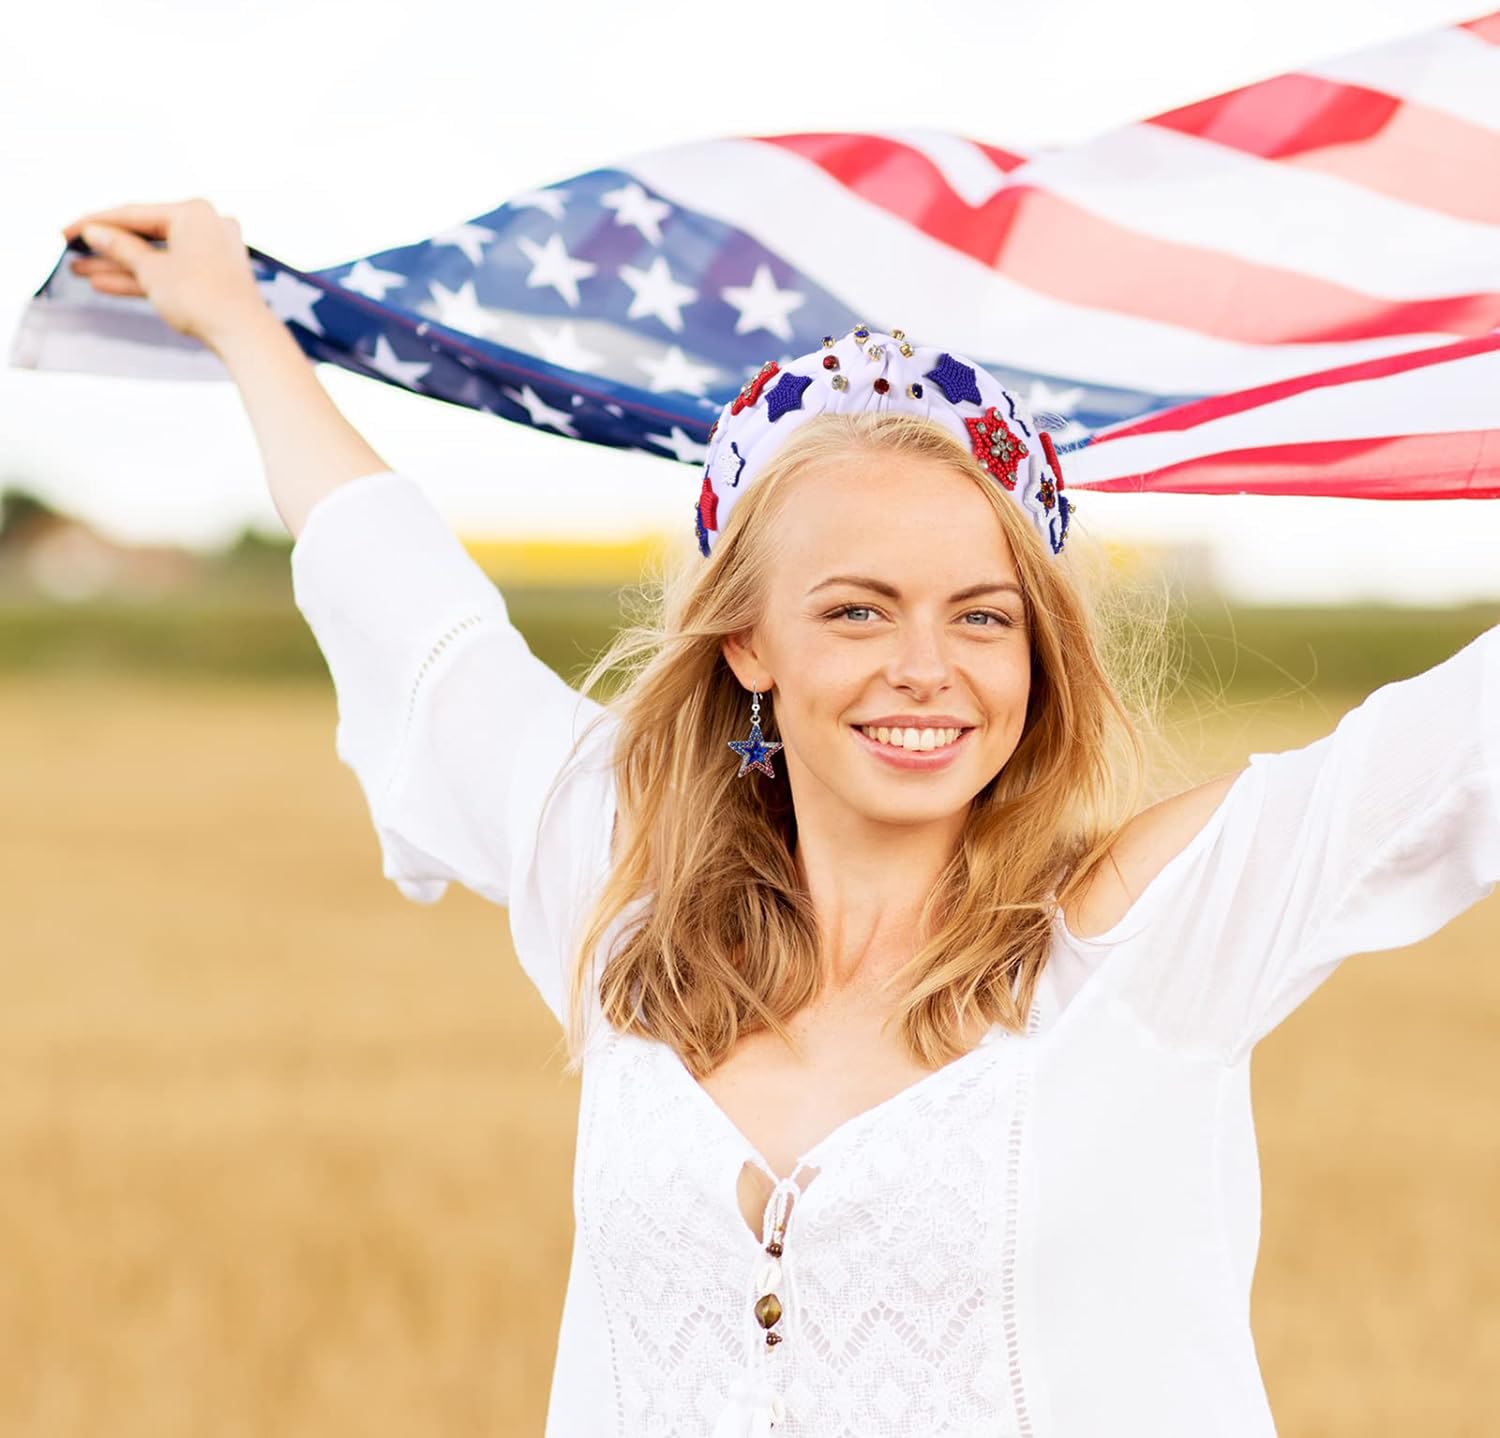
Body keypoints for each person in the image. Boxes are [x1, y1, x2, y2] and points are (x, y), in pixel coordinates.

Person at [62, 198, 1499, 1437]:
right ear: (748, 638)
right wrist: (241, 323)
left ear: (1037, 651)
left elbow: (1446, 750)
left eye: (982, 618)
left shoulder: (1143, 946)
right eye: (856, 609)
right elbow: (412, 615)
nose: (924, 668)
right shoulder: (620, 890)